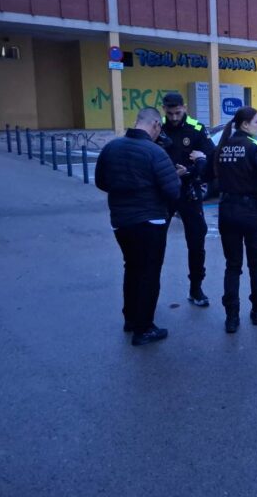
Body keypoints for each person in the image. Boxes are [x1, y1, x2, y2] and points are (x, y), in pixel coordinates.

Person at [95, 107, 180, 346]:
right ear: (155, 124)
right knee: (149, 273)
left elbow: (101, 182)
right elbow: (173, 191)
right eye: (159, 128)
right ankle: (144, 329)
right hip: (150, 221)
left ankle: (131, 318)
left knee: (131, 268)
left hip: (121, 222)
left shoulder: (111, 148)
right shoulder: (154, 152)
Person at [214, 106, 257, 333]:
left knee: (232, 266)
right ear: (245, 125)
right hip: (251, 213)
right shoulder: (254, 146)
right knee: (256, 264)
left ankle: (232, 318)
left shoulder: (223, 146)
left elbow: (209, 175)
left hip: (227, 212)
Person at [160, 92, 215, 307]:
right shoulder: (158, 129)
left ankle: (196, 289)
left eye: (178, 112)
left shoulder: (196, 129)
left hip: (188, 191)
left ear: (184, 107)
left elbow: (210, 159)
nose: (174, 117)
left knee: (196, 242)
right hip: (164, 193)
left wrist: (190, 171)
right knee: (155, 242)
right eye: (170, 112)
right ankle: (150, 293)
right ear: (164, 109)